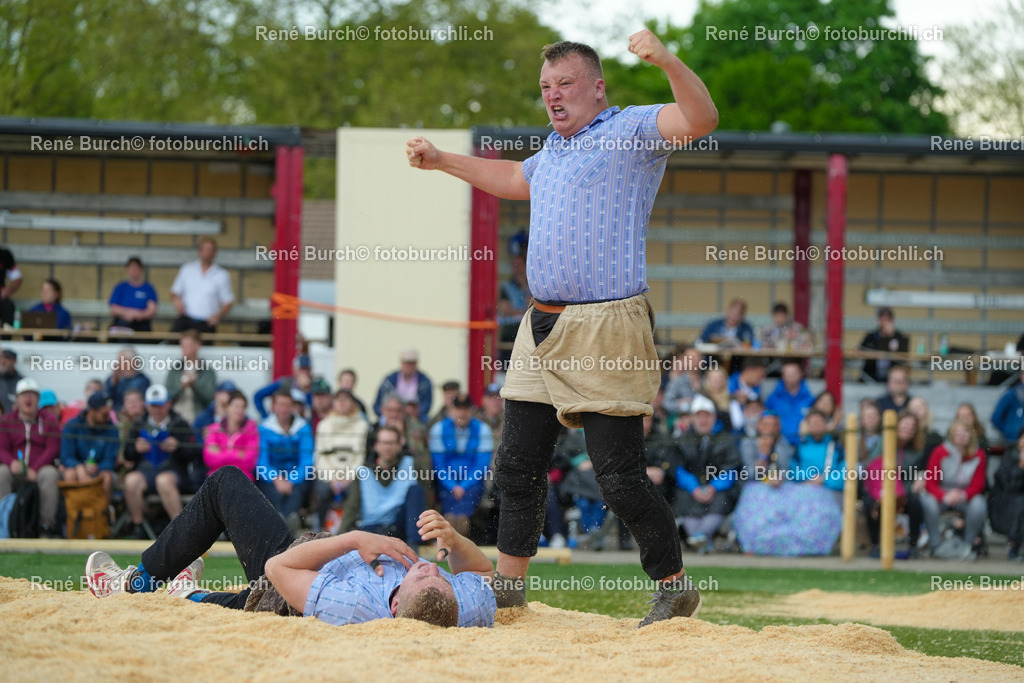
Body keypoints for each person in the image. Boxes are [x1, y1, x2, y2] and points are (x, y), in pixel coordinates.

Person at [407, 31, 717, 624]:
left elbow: (701, 118)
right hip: (539, 324)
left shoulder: (629, 130)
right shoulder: (552, 152)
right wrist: (444, 161)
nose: (553, 95)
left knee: (619, 477)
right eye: (546, 87)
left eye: (565, 84)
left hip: (608, 324)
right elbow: (513, 181)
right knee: (517, 465)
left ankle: (675, 585)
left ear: (597, 88)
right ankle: (509, 587)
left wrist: (666, 60)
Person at [85, 466, 496, 628]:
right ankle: (188, 593)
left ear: (394, 608)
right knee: (211, 595)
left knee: (225, 484)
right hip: (316, 562)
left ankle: (135, 586)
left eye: (420, 576)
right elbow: (482, 575)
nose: (427, 568)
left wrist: (354, 538)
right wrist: (457, 540)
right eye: (438, 575)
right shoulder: (464, 606)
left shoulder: (354, 606)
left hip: (286, 583)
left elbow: (279, 569)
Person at [732, 411, 843, 556]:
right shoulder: (749, 442)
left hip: (816, 489)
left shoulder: (835, 447)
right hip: (759, 490)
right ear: (759, 425)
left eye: (773, 425)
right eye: (766, 425)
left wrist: (822, 480)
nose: (770, 429)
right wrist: (763, 456)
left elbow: (787, 470)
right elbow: (750, 475)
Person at [122, 384, 204, 539]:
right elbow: (128, 455)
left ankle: (181, 530)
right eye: (153, 406)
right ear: (147, 406)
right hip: (146, 472)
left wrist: (177, 447)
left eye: (160, 406)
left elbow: (193, 454)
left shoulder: (180, 423)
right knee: (131, 480)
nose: (157, 410)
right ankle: (138, 526)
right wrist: (135, 448)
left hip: (174, 472)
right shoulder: (139, 425)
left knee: (164, 481)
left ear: (168, 404)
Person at [671, 395, 741, 554]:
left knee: (722, 498)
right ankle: (702, 541)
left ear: (714, 417)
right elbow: (678, 469)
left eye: (706, 416)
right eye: (699, 416)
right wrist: (694, 487)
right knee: (682, 496)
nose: (703, 420)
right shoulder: (682, 440)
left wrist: (713, 487)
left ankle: (699, 537)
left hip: (717, 489)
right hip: (690, 490)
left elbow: (731, 469)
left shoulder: (725, 439)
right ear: (692, 418)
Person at [340, 426, 427, 548]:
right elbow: (352, 507)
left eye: (391, 443)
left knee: (416, 491)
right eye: (384, 443)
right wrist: (339, 538)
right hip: (372, 528)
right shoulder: (363, 472)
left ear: (399, 445)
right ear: (376, 445)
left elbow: (425, 495)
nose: (388, 447)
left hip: (399, 526)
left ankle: (414, 546)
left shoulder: (411, 464)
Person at [0, 378, 62, 536]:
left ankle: (46, 526)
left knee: (50, 474)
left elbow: (52, 448)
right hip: (15, 469)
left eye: (32, 395)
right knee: (2, 472)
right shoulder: (7, 420)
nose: (28, 399)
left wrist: (34, 468)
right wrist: (10, 462)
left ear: (38, 399)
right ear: (17, 399)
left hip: (39, 469)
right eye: (24, 395)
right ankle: (4, 523)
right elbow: (2, 447)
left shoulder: (49, 420)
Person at [920, 419, 988, 558]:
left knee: (979, 504)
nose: (961, 436)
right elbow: (930, 483)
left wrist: (962, 495)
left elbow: (978, 483)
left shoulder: (978, 454)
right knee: (927, 501)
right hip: (942, 494)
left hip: (964, 496)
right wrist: (944, 496)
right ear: (951, 435)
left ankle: (968, 545)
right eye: (957, 433)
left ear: (971, 435)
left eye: (965, 432)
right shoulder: (940, 452)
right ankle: (935, 544)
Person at [862, 412, 925, 559]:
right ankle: (876, 544)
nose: (908, 429)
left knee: (915, 502)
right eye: (905, 425)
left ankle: (913, 544)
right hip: (880, 487)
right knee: (869, 503)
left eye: (912, 427)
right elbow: (873, 467)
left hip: (904, 489)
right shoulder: (885, 441)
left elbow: (916, 474)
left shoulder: (917, 450)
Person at [429, 393, 494, 537]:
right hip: (446, 483)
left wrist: (463, 486)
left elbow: (481, 466)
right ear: (451, 410)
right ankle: (457, 530)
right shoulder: (438, 429)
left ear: (471, 410)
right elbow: (439, 465)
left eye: (465, 409)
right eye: (458, 408)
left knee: (465, 503)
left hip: (472, 483)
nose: (462, 413)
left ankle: (453, 531)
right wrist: (453, 486)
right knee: (451, 502)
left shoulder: (483, 429)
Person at [256, 387, 314, 526]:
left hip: (295, 477)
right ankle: (282, 523)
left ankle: (289, 522)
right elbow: (261, 462)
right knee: (274, 492)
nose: (284, 409)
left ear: (293, 407)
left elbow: (306, 461)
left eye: (287, 405)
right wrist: (276, 479)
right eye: (281, 405)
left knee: (297, 490)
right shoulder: (264, 428)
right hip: (272, 478)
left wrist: (291, 480)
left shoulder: (303, 428)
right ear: (274, 406)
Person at [314, 388, 369, 530]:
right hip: (329, 475)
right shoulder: (324, 425)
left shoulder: (362, 426)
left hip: (351, 476)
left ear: (353, 403)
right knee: (323, 491)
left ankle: (350, 529)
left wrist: (348, 478)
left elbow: (360, 457)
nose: (342, 403)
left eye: (346, 399)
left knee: (354, 492)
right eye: (339, 399)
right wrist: (333, 479)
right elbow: (320, 456)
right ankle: (320, 529)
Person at [60, 391, 120, 504]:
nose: (108, 417)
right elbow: (66, 456)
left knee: (106, 477)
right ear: (91, 411)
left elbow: (111, 460)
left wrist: (97, 467)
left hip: (101, 470)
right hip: (77, 468)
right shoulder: (73, 426)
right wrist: (78, 466)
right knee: (70, 474)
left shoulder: (112, 429)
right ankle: (74, 516)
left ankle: (101, 516)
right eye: (104, 414)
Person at [170, 237, 234, 334]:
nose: (207, 252)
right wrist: (177, 301)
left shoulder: (222, 274)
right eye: (205, 249)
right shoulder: (187, 269)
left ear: (215, 253)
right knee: (171, 345)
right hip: (186, 320)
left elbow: (228, 301)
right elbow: (175, 292)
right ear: (199, 251)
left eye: (210, 249)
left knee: (206, 348)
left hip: (207, 323)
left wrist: (218, 315)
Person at [203, 390, 259, 480]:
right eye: (236, 406)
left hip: (242, 478)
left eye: (243, 407)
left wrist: (221, 453)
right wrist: (238, 454)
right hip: (216, 478)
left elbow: (249, 463)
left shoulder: (251, 431)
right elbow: (209, 460)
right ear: (227, 407)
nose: (239, 410)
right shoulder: (214, 429)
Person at [165, 330, 217, 426]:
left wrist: (195, 385)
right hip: (176, 421)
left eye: (187, 345)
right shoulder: (175, 369)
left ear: (197, 346)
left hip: (197, 421)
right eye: (182, 345)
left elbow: (210, 398)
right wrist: (180, 387)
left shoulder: (207, 371)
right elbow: (166, 396)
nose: (183, 349)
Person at [989, 428, 1024, 562]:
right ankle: (1014, 544)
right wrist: (1021, 467)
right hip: (1005, 503)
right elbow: (1010, 486)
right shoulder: (1009, 456)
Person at [498, 231, 532, 362]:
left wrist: (524, 285)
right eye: (514, 265)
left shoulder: (532, 285)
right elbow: (505, 310)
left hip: (528, 334)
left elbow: (532, 305)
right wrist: (523, 312)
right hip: (509, 334)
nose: (517, 269)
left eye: (520, 265)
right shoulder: (507, 286)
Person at [374, 348, 433, 424]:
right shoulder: (389, 380)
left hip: (415, 418)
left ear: (416, 364)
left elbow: (426, 405)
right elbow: (378, 404)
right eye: (406, 363)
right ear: (401, 363)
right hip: (391, 417)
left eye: (412, 363)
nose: (409, 366)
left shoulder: (425, 382)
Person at [764, 360, 815, 446]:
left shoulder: (809, 398)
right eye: (787, 374)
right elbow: (766, 419)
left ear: (801, 374)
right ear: (782, 376)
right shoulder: (774, 398)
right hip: (779, 445)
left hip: (804, 445)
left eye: (794, 373)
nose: (791, 377)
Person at [254, 355, 313, 420]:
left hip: (302, 423)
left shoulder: (314, 386)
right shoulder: (284, 383)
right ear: (294, 369)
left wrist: (307, 390)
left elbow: (313, 409)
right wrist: (265, 416)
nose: (304, 372)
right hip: (283, 420)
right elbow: (258, 396)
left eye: (307, 369)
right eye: (301, 369)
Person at [859, 307, 909, 383]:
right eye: (882, 320)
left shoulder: (899, 337)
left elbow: (903, 356)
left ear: (892, 321)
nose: (884, 323)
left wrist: (890, 336)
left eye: (887, 320)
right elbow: (861, 350)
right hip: (871, 375)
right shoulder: (871, 336)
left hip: (891, 376)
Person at [108, 256, 159, 332]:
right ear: (127, 270)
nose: (133, 271)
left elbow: (152, 309)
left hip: (142, 324)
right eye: (131, 268)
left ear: (141, 270)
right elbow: (113, 308)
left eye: (136, 268)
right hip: (123, 323)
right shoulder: (120, 287)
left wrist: (139, 315)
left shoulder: (148, 288)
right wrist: (127, 313)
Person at [104, 346, 151, 412]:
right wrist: (114, 382)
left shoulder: (142, 380)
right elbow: (106, 396)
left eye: (122, 360)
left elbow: (131, 395)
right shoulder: (113, 378)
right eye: (118, 361)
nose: (118, 364)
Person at [991, 370, 1024, 443]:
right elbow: (996, 417)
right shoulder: (1011, 394)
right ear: (1020, 375)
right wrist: (1009, 431)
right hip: (1013, 442)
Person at [0, 245, 23, 327]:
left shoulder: (3, 255)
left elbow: (17, 277)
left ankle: (6, 338)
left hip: (1, 298)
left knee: (8, 306)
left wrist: (8, 290)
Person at [0, 349, 23, 413]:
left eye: (6, 358)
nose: (2, 361)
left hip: (12, 421)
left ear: (14, 361)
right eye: (1, 358)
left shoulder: (21, 382)